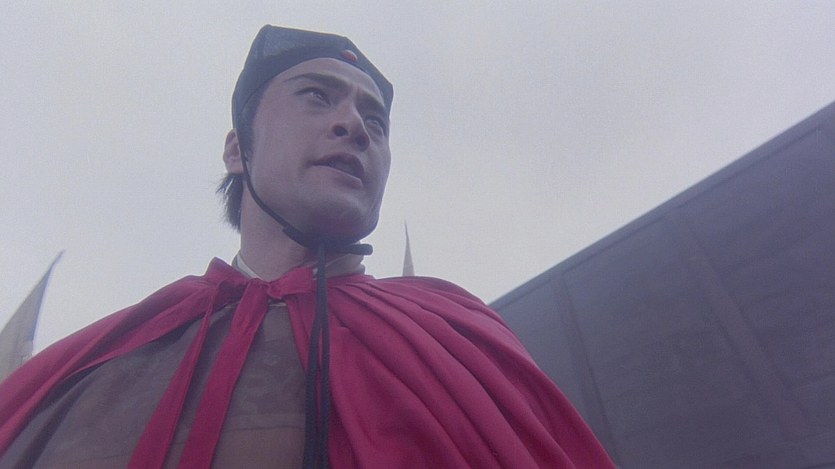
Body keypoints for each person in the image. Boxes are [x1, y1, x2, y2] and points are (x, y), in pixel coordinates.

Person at [0, 26, 615, 469]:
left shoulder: (461, 339)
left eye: (375, 122)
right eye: (317, 96)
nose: (354, 126)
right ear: (237, 149)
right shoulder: (87, 369)